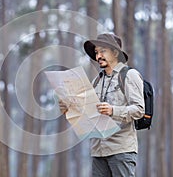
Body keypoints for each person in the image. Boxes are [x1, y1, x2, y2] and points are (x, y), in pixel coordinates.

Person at [59, 33, 145, 177]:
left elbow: (139, 109)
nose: (98, 56)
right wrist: (68, 109)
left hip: (121, 149)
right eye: (96, 52)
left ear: (115, 53)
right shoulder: (96, 81)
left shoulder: (129, 75)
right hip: (98, 150)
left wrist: (113, 110)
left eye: (103, 51)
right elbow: (88, 113)